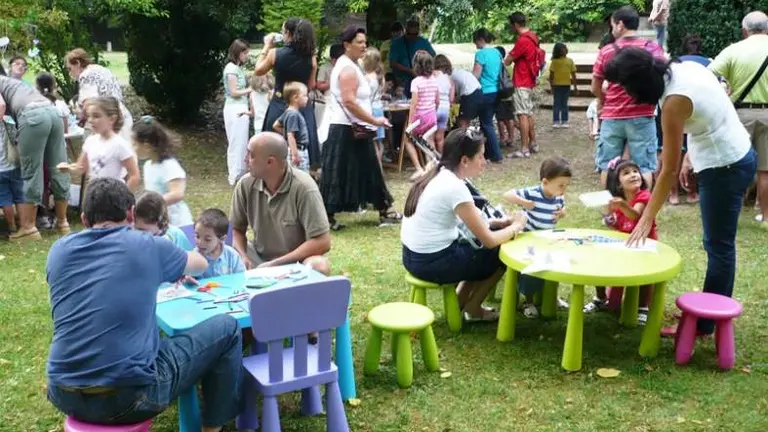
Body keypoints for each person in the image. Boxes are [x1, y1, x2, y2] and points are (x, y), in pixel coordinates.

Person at [46, 177, 242, 431]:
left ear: (84, 219)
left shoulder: (58, 251)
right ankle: (212, 427)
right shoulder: (148, 246)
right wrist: (173, 264)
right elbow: (200, 264)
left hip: (63, 393)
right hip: (128, 397)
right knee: (227, 328)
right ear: (131, 214)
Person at [606, 47, 756, 336]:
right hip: (736, 152)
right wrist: (691, 155)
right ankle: (709, 311)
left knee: (719, 246)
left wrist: (646, 218)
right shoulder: (685, 66)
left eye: (625, 86)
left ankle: (704, 323)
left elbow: (667, 172)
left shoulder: (674, 102)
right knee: (719, 245)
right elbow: (713, 108)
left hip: (724, 166)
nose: (624, 92)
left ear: (639, 83)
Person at [401, 128, 528, 321]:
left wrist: (500, 222)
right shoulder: (455, 187)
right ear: (464, 160)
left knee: (478, 249)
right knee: (500, 251)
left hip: (413, 257)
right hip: (432, 263)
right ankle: (473, 307)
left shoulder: (438, 174)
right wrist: (516, 226)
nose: (484, 161)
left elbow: (468, 223)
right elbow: (489, 240)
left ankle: (461, 301)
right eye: (480, 156)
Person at [320, 27, 401, 230]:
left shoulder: (352, 65)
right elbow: (349, 101)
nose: (364, 45)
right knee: (338, 172)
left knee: (368, 168)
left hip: (353, 127)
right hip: (345, 127)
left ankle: (384, 210)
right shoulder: (347, 69)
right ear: (347, 45)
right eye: (359, 42)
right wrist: (374, 120)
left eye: (365, 42)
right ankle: (326, 217)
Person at [231, 132, 331, 275]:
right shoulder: (245, 184)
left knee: (319, 265)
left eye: (251, 155)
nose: (245, 159)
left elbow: (322, 241)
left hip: (296, 262)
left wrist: (275, 264)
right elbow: (236, 230)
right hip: (259, 258)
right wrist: (242, 256)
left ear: (270, 162)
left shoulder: (304, 188)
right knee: (218, 248)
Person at [590, 6, 665, 188]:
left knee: (607, 165)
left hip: (612, 117)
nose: (612, 30)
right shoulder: (652, 48)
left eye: (612, 25)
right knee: (643, 166)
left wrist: (603, 101)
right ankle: (642, 203)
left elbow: (594, 86)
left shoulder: (606, 51)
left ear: (620, 25)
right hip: (643, 115)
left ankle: (610, 204)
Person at [708, 11, 768, 225]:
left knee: (732, 164)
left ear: (744, 30)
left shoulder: (734, 50)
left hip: (739, 114)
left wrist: (723, 90)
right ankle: (766, 217)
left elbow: (709, 74)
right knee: (766, 170)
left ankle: (728, 214)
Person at [585, 158, 656, 325]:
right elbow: (619, 224)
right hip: (625, 244)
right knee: (599, 262)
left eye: (635, 171)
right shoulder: (618, 200)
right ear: (618, 184)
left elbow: (635, 215)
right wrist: (610, 220)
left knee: (645, 277)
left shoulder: (644, 196)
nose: (633, 175)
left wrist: (622, 206)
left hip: (645, 244)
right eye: (626, 173)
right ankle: (601, 298)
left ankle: (643, 307)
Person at [0, 75, 70, 240]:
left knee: (32, 170)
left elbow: (1, 105)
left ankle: (28, 228)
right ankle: (63, 222)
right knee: (59, 167)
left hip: (32, 116)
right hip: (52, 112)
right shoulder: (9, 81)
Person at [502, 156, 571, 318]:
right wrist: (523, 202)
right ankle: (528, 301)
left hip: (548, 241)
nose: (564, 190)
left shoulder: (558, 196)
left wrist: (562, 213)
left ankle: (551, 296)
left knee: (554, 266)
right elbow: (507, 195)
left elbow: (563, 206)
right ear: (545, 182)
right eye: (561, 185)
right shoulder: (532, 193)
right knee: (530, 271)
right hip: (529, 242)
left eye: (566, 185)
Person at [255, 18, 321, 169]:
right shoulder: (311, 58)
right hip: (302, 106)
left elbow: (258, 70)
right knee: (303, 144)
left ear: (289, 34)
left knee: (273, 148)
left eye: (283, 32)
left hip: (279, 103)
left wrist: (266, 46)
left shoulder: (275, 54)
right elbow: (311, 85)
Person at [58, 97, 140, 192]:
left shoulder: (119, 145)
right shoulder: (90, 141)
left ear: (112, 119)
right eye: (89, 116)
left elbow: (134, 175)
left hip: (113, 194)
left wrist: (123, 195)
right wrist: (67, 168)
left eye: (96, 116)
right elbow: (81, 167)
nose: (90, 120)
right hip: (95, 193)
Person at [132, 115, 193, 226]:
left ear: (147, 146)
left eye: (134, 144)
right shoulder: (148, 165)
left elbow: (177, 193)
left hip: (177, 222)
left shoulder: (170, 165)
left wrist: (151, 204)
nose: (132, 148)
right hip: (158, 220)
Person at [65, 48, 134, 142]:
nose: (70, 73)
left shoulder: (86, 75)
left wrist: (80, 114)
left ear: (78, 63)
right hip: (123, 118)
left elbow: (89, 104)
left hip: (109, 124)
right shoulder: (102, 70)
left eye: (70, 69)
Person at [506, 12, 544, 158]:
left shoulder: (522, 40)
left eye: (511, 25)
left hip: (521, 80)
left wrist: (510, 58)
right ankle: (533, 143)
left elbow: (508, 60)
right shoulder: (533, 37)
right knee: (528, 114)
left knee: (522, 115)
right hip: (530, 80)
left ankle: (524, 148)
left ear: (515, 24)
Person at [222, 39, 252, 186]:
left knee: (242, 141)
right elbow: (233, 92)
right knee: (236, 141)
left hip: (241, 106)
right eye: (244, 53)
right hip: (235, 108)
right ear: (238, 53)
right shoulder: (231, 69)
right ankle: (235, 173)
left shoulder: (237, 68)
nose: (247, 56)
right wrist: (250, 89)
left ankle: (240, 171)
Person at [471, 28, 504, 163]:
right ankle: (488, 152)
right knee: (488, 122)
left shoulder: (481, 54)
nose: (475, 44)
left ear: (480, 40)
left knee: (486, 124)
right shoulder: (497, 52)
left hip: (485, 91)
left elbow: (476, 75)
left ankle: (496, 154)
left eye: (475, 41)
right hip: (496, 90)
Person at [407, 50, 440, 179]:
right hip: (431, 115)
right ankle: (431, 168)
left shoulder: (416, 82)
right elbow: (437, 101)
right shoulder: (434, 80)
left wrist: (410, 121)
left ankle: (419, 168)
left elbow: (414, 104)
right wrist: (433, 111)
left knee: (408, 140)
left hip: (419, 117)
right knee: (429, 142)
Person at [189, 208, 245, 281]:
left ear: (222, 239)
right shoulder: (193, 257)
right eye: (197, 236)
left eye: (207, 239)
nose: (200, 242)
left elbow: (242, 277)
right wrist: (188, 279)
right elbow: (187, 279)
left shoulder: (232, 256)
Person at [389, 16, 436, 97]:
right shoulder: (397, 43)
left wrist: (425, 71)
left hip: (420, 79)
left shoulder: (424, 42)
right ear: (405, 31)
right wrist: (410, 71)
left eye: (415, 34)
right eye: (409, 34)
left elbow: (433, 57)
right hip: (402, 81)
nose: (412, 36)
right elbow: (392, 63)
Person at [272, 81, 311, 172]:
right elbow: (291, 135)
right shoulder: (293, 114)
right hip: (298, 151)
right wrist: (295, 154)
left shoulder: (288, 112)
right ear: (295, 98)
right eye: (305, 96)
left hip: (295, 149)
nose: (307, 98)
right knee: (301, 175)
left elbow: (276, 125)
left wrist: (285, 132)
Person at [362, 47, 387, 164]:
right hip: (379, 109)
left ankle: (376, 165)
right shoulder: (381, 76)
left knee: (372, 142)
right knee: (379, 141)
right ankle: (379, 163)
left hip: (370, 110)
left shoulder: (366, 78)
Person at [315, 44, 344, 143]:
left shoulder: (345, 67)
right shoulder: (325, 68)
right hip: (329, 100)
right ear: (333, 59)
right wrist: (334, 81)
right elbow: (319, 85)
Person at [0, 114, 23, 235]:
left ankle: (12, 227)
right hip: (14, 164)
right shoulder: (8, 120)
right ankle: (24, 225)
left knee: (5, 198)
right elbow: (16, 139)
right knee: (20, 196)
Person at [444, 59, 482, 128]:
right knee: (466, 119)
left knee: (462, 122)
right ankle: (465, 132)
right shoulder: (458, 72)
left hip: (470, 95)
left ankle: (462, 133)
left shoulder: (450, 77)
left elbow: (453, 97)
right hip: (479, 92)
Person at [549, 42, 577, 128]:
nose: (565, 50)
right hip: (557, 86)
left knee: (564, 103)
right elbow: (551, 76)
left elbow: (573, 75)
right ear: (558, 51)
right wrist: (552, 87)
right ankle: (556, 121)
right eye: (563, 49)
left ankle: (564, 120)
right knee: (557, 103)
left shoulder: (570, 61)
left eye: (565, 48)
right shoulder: (554, 62)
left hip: (567, 85)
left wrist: (575, 87)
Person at [494, 46, 516, 148]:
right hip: (510, 95)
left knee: (500, 118)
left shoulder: (496, 66)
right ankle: (511, 138)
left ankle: (503, 138)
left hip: (500, 95)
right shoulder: (509, 67)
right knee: (510, 117)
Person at [432, 54, 455, 154]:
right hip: (445, 109)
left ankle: (433, 157)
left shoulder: (433, 75)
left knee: (431, 137)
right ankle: (442, 157)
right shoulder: (449, 79)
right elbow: (451, 99)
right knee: (440, 137)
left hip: (435, 107)